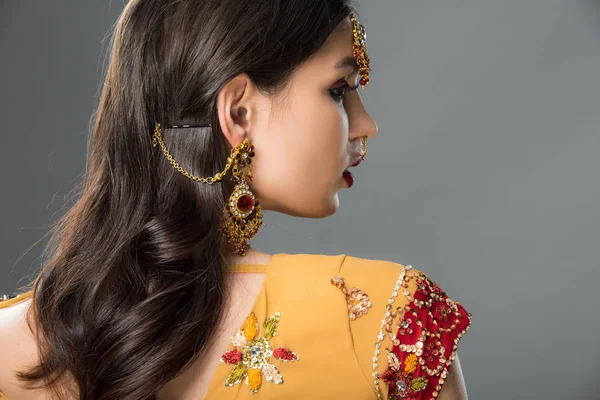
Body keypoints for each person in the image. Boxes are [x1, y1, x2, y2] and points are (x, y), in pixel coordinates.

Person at [0, 0, 472, 399]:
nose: (366, 124)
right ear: (238, 112)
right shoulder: (389, 326)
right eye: (338, 91)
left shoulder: (8, 341)